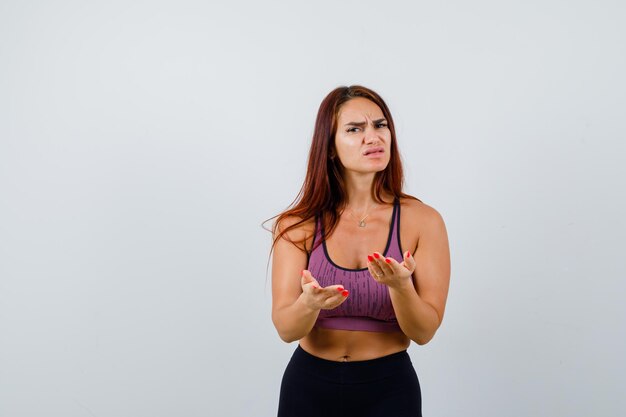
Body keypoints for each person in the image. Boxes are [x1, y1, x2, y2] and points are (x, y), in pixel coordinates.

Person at [268, 85, 451, 417]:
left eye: (380, 125)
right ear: (332, 148)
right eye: (355, 129)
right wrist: (308, 304)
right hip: (308, 387)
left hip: (389, 388)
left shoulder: (423, 221)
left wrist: (400, 286)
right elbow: (285, 329)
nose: (373, 137)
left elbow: (424, 332)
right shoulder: (298, 224)